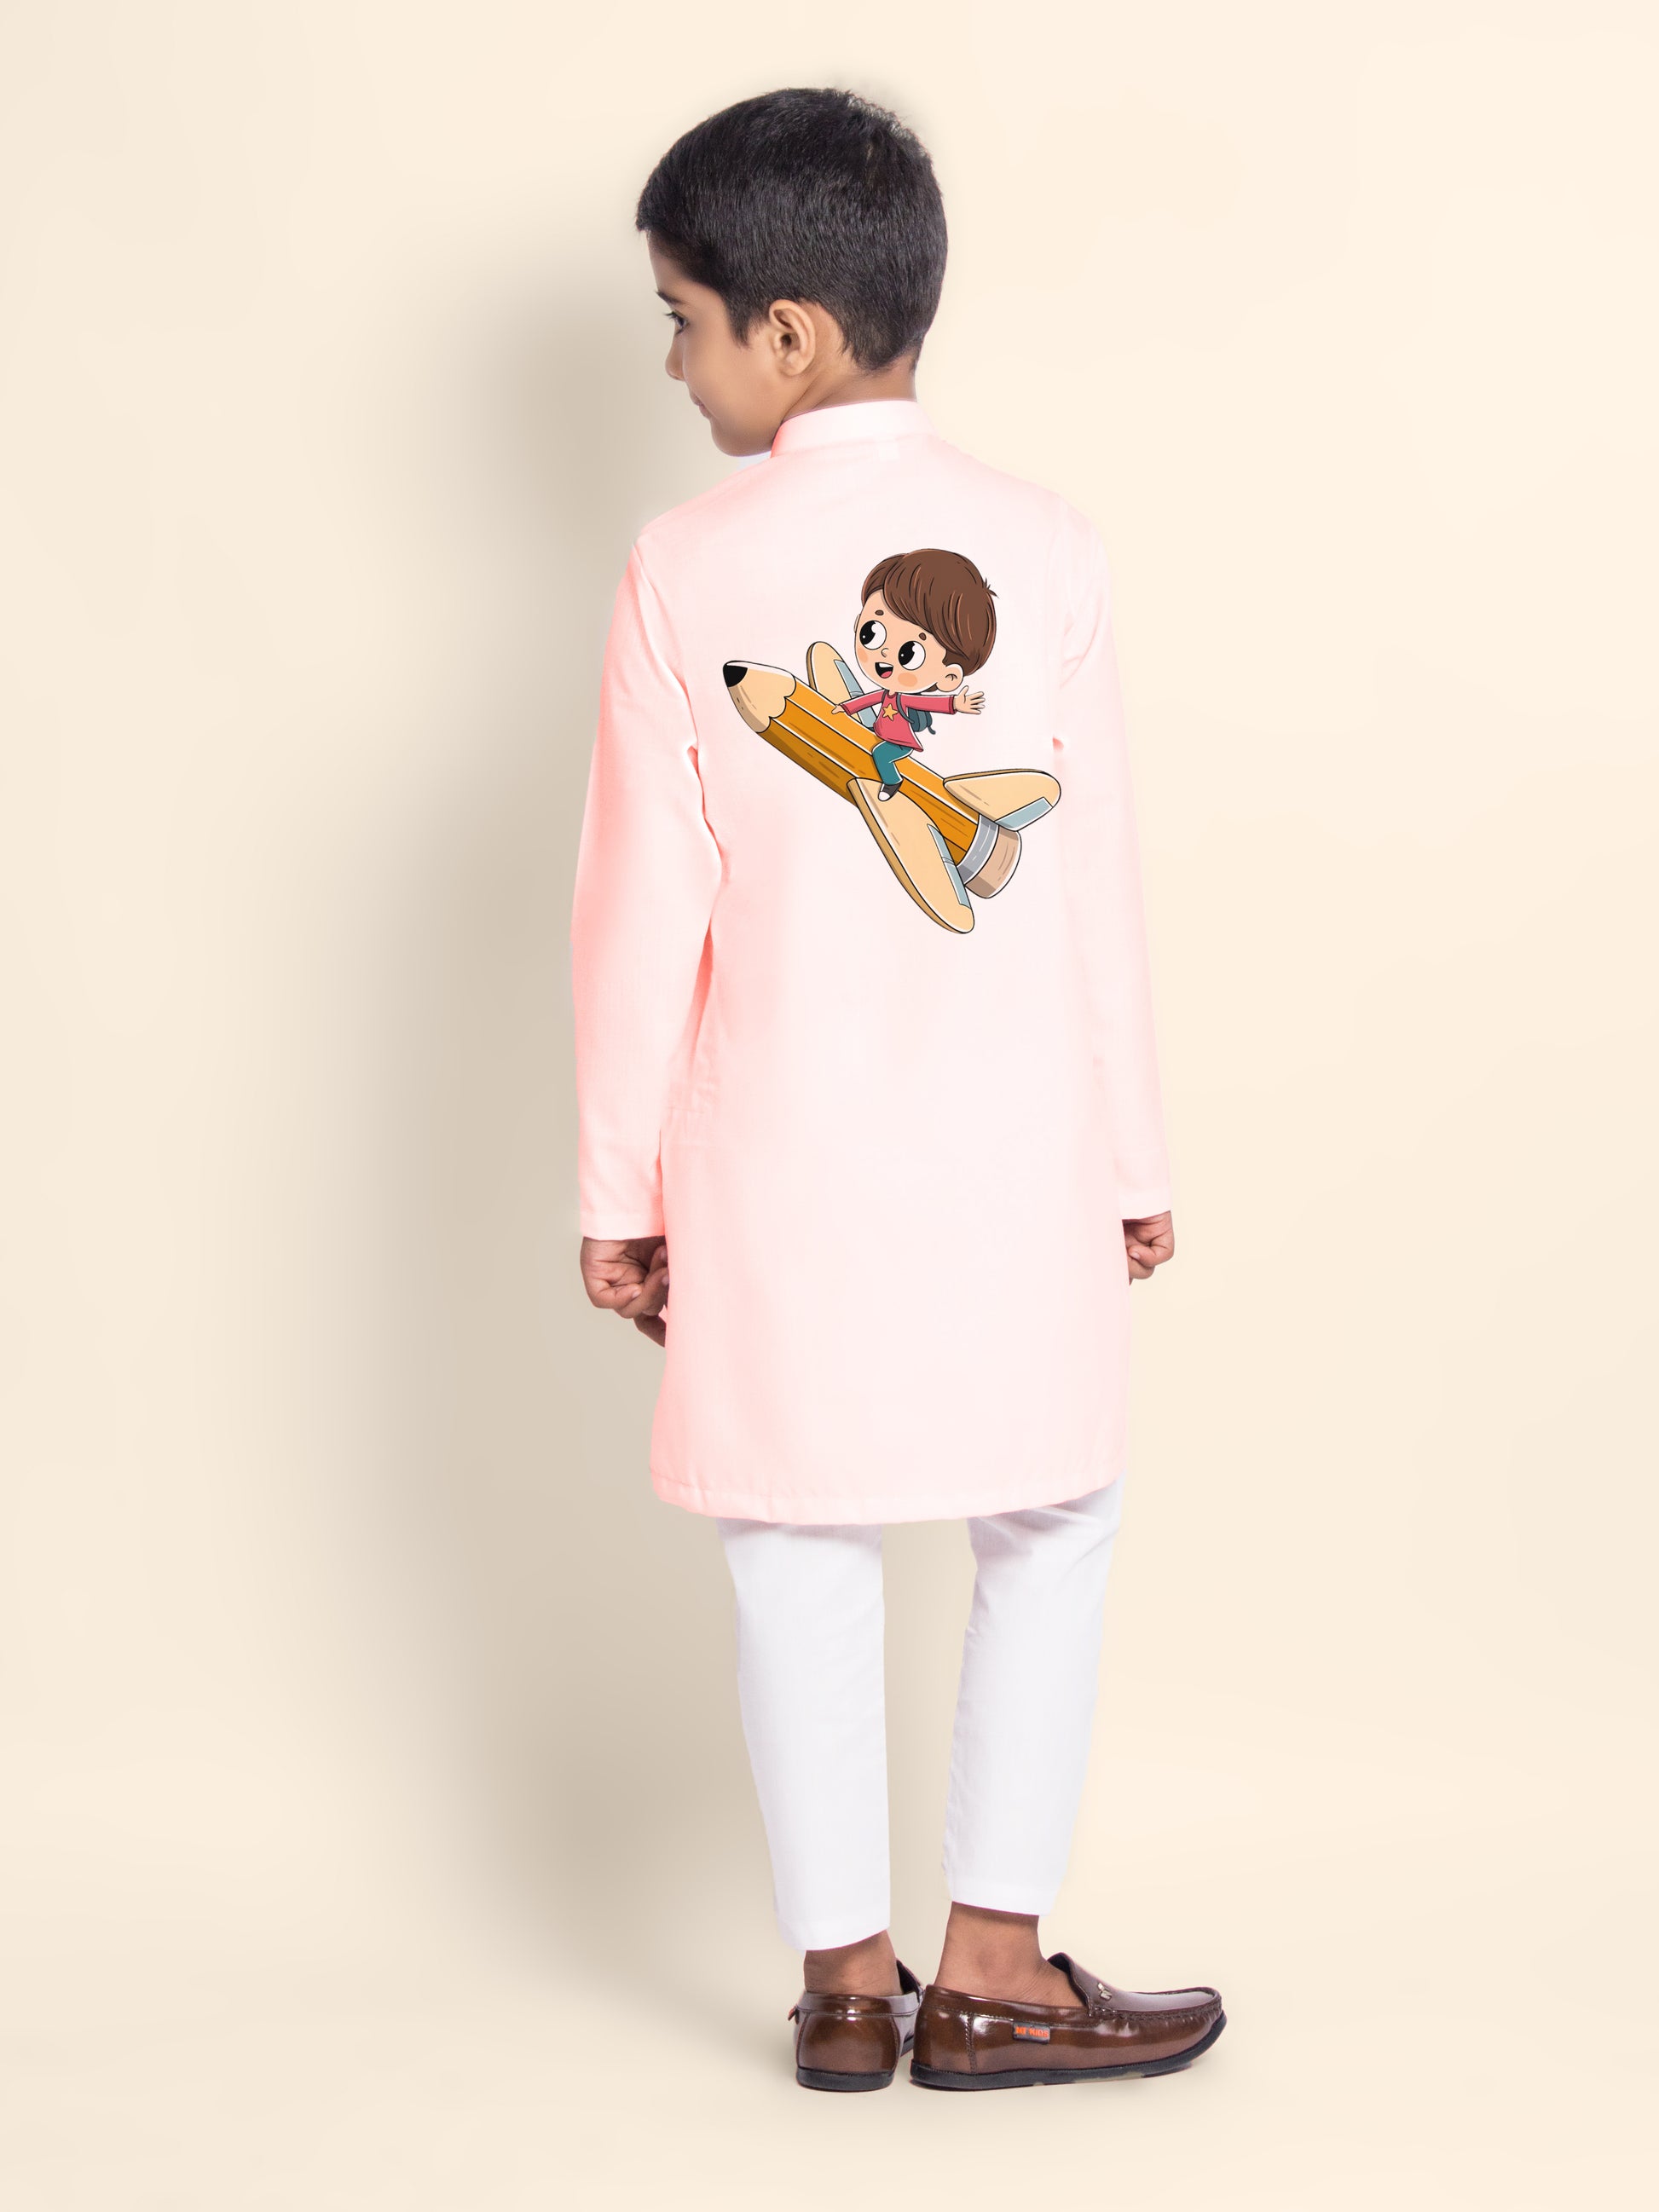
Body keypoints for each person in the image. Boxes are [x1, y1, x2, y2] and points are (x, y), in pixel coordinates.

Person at [569, 86, 1224, 2094]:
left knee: (791, 1533)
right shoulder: (1052, 542)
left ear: (786, 333)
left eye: (681, 322)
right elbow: (1091, 883)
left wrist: (618, 1191)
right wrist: (1132, 1150)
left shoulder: (680, 565)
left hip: (765, 1155)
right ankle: (996, 1965)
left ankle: (846, 1986)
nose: (673, 366)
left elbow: (635, 916)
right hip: (1017, 1142)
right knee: (1055, 1507)